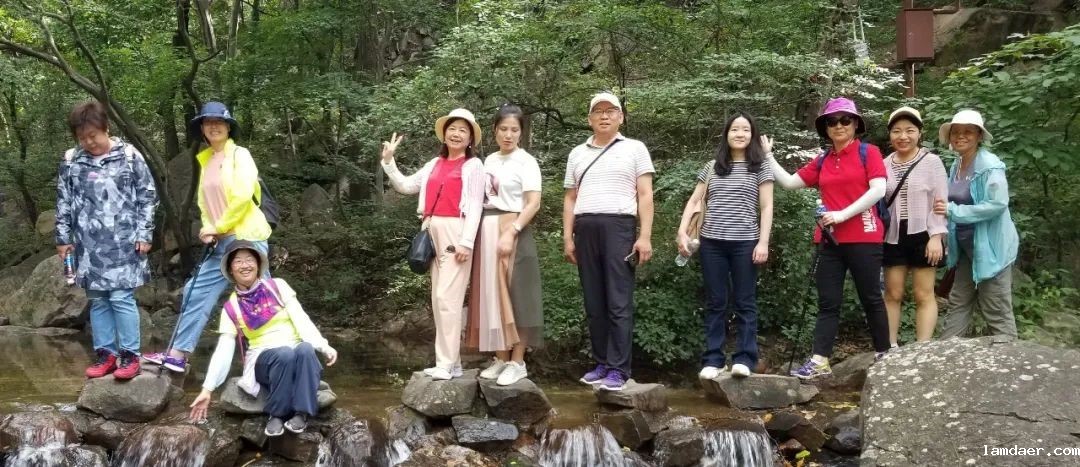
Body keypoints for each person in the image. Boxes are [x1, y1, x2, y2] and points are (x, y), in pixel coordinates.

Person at [766, 97, 891, 380]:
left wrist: (842, 214)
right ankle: (820, 360)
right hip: (829, 241)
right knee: (828, 302)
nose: (839, 126)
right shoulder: (823, 159)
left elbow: (878, 190)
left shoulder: (868, 152)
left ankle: (884, 353)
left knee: (871, 297)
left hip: (864, 237)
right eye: (832, 121)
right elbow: (790, 183)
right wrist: (767, 156)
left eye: (845, 120)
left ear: (855, 124)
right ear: (825, 127)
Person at [144, 101, 272, 372]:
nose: (214, 126)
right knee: (195, 291)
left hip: (246, 238)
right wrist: (208, 228)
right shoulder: (206, 160)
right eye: (208, 122)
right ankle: (178, 354)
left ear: (229, 127)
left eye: (219, 121)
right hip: (220, 242)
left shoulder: (240, 155)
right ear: (202, 128)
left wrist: (220, 225)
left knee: (259, 298)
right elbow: (206, 204)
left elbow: (243, 195)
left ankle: (273, 356)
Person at [188, 241, 337, 436]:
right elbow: (224, 350)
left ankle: (302, 413)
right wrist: (207, 389)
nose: (245, 265)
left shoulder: (278, 286)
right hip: (264, 361)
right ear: (231, 270)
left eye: (250, 260)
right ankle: (277, 414)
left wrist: (324, 346)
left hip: (296, 354)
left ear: (258, 265)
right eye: (238, 261)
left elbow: (301, 319)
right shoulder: (231, 307)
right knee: (284, 354)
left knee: (306, 349)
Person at [380, 108, 486, 380]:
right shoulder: (434, 164)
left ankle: (446, 363)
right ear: (444, 133)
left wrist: (467, 242)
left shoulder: (473, 166)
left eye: (463, 130)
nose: (456, 134)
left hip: (456, 232)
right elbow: (405, 186)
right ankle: (452, 363)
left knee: (446, 298)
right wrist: (389, 161)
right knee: (439, 300)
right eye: (453, 128)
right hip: (430, 229)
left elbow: (475, 206)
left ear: (470, 138)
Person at [56, 101, 159, 380]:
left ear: (106, 128)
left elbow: (147, 196)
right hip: (88, 243)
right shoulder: (71, 160)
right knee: (98, 299)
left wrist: (145, 233)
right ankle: (106, 354)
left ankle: (130, 355)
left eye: (93, 135)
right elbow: (64, 201)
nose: (89, 142)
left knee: (121, 297)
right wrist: (63, 238)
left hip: (125, 241)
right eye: (83, 138)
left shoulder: (129, 156)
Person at [563, 92, 655, 391]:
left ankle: (618, 368)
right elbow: (570, 198)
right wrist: (567, 237)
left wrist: (644, 236)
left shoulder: (635, 148)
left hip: (619, 226)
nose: (604, 116)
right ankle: (602, 362)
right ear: (589, 118)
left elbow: (645, 195)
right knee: (594, 301)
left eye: (611, 110)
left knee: (618, 300)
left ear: (621, 117)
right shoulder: (577, 153)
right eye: (598, 111)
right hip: (585, 227)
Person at [676, 112, 774, 380]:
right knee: (716, 302)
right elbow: (694, 200)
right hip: (711, 243)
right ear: (726, 134)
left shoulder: (760, 167)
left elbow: (766, 207)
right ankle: (713, 359)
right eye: (735, 129)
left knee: (745, 301)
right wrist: (682, 231)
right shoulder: (712, 166)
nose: (740, 134)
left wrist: (763, 242)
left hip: (746, 242)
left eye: (745, 129)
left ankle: (744, 358)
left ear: (752, 135)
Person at [469, 104, 544, 386]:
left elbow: (533, 203)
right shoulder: (489, 160)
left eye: (514, 129)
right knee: (491, 295)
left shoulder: (527, 162)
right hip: (487, 228)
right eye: (503, 129)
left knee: (518, 295)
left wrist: (512, 231)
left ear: (521, 132)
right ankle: (500, 357)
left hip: (514, 227)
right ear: (494, 131)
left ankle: (517, 361)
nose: (508, 135)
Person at [933, 110, 1019, 338]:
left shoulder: (990, 166)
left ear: (979, 135)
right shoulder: (957, 164)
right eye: (956, 132)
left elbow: (997, 204)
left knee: (995, 307)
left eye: (968, 131)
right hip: (965, 248)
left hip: (991, 249)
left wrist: (953, 211)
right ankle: (947, 352)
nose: (960, 136)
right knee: (958, 302)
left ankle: (1009, 353)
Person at [881, 107, 948, 346]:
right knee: (893, 293)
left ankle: (922, 348)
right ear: (890, 134)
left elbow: (941, 202)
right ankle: (889, 348)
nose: (903, 136)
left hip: (924, 234)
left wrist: (936, 236)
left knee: (923, 294)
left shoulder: (932, 162)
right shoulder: (884, 164)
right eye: (897, 131)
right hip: (892, 235)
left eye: (910, 130)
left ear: (919, 133)